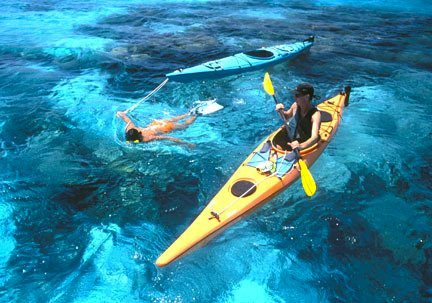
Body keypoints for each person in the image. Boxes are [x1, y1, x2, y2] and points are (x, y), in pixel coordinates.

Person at [275, 83, 321, 151]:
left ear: (307, 97)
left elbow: (314, 137)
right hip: (291, 138)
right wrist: (280, 111)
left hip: (303, 144)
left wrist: (300, 146)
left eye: (297, 95)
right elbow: (286, 117)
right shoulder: (295, 105)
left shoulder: (315, 115)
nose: (294, 97)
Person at [116, 111, 197, 148]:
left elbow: (169, 138)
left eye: (135, 141)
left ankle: (196, 114)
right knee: (174, 119)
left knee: (185, 125)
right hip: (157, 123)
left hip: (165, 127)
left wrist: (186, 143)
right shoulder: (130, 128)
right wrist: (119, 113)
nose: (130, 142)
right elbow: (124, 117)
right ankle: (189, 113)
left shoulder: (147, 138)